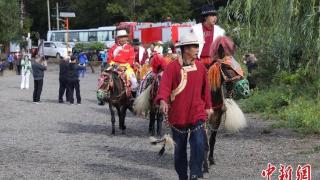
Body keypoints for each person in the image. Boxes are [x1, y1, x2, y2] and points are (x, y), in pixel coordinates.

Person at [155, 31, 213, 180]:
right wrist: (162, 100)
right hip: (178, 115)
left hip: (197, 113)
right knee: (179, 150)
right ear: (186, 49)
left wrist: (208, 106)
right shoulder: (172, 68)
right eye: (195, 46)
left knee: (199, 144)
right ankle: (182, 176)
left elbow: (205, 90)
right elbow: (165, 87)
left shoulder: (200, 68)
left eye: (197, 45)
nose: (197, 49)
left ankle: (194, 173)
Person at [108, 29, 138, 96]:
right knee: (104, 78)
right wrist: (116, 66)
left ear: (127, 38)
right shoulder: (113, 48)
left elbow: (131, 59)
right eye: (121, 37)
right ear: (118, 38)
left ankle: (133, 98)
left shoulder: (130, 48)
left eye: (124, 37)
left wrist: (124, 67)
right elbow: (109, 59)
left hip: (127, 68)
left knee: (134, 83)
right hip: (114, 67)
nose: (123, 39)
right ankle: (102, 97)